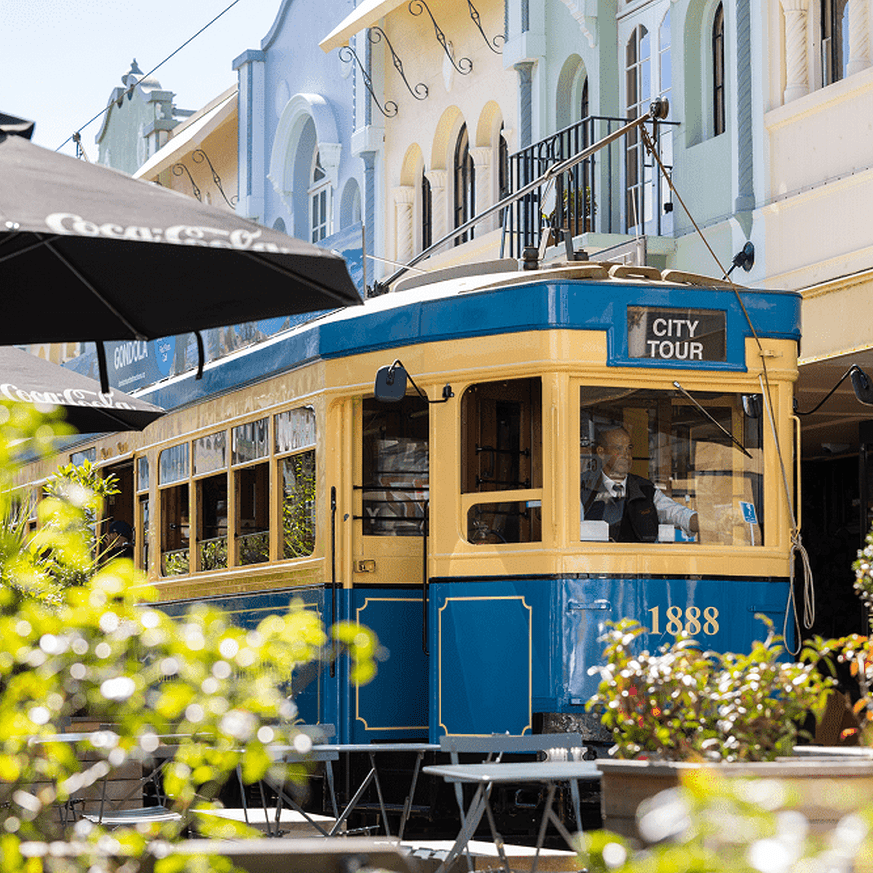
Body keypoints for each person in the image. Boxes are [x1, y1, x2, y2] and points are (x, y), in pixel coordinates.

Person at [581, 426, 699, 542]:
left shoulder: (645, 489)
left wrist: (700, 521)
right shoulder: (581, 486)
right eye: (618, 448)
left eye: (629, 448)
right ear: (601, 453)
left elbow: (674, 512)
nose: (626, 455)